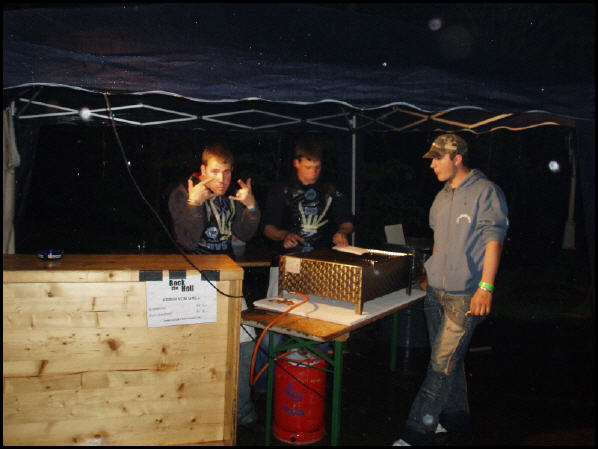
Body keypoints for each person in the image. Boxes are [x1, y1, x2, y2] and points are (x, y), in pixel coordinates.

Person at [392, 134, 509, 446]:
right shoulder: (441, 197)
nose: (432, 164)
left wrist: (486, 288)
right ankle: (454, 417)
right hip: (435, 294)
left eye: (437, 158)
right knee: (446, 362)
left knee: (439, 367)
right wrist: (431, 272)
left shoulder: (486, 192)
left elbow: (493, 242)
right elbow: (439, 240)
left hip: (465, 296)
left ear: (457, 158)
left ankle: (417, 432)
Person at [167, 142, 263, 432]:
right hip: (192, 282)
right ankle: (194, 415)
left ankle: (243, 413)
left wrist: (251, 206)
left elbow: (245, 232)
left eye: (227, 172)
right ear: (202, 170)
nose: (222, 179)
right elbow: (187, 241)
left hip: (226, 279)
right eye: (215, 171)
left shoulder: (231, 196)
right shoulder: (183, 193)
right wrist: (194, 204)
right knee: (198, 350)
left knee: (246, 343)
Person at [253, 136, 355, 390]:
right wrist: (284, 236)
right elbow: (267, 228)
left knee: (317, 325)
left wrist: (341, 232)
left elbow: (347, 221)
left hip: (319, 267)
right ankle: (263, 384)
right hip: (285, 266)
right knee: (273, 326)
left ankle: (311, 381)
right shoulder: (281, 190)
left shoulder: (330, 189)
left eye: (317, 167)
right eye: (308, 167)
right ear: (296, 163)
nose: (314, 172)